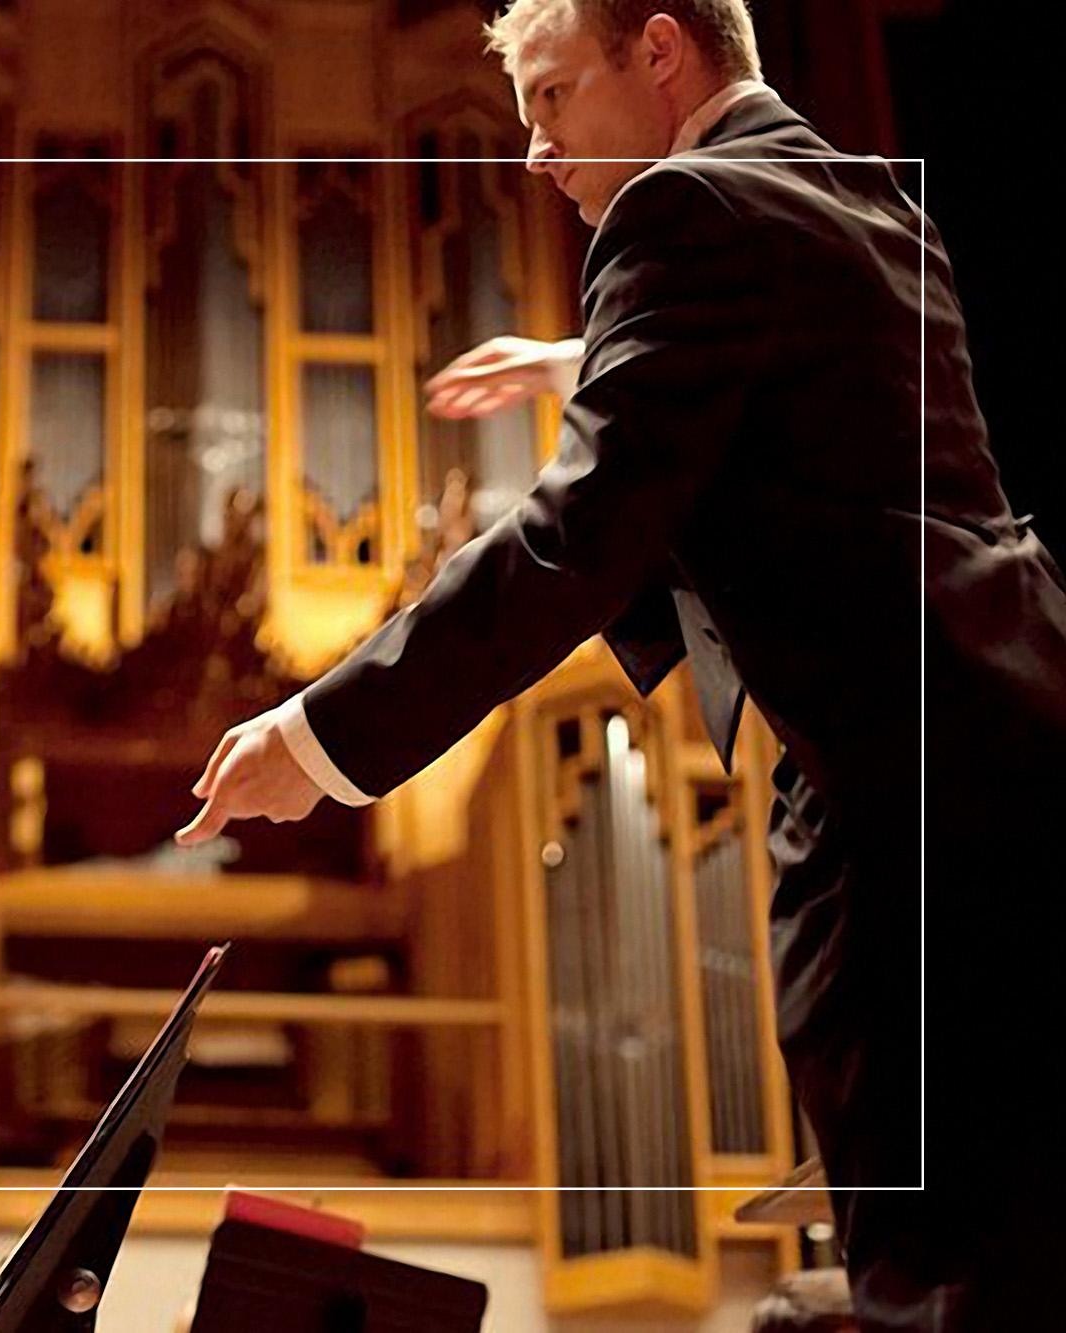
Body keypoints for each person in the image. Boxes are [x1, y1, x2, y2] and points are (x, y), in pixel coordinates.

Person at [178, 3, 1065, 1328]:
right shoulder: (856, 190)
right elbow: (813, 365)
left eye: (550, 100)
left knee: (927, 1283)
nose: (534, 153)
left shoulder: (681, 211)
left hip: (895, 819)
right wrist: (588, 357)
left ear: (660, 53)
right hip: (1017, 756)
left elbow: (569, 543)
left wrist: (318, 740)